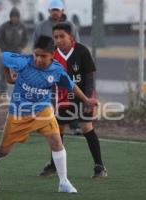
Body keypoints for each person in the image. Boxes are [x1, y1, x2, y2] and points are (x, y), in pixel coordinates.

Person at [0, 36, 99, 193]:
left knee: (56, 141)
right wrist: (8, 77)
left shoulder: (57, 70)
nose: (38, 59)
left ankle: (63, 182)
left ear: (52, 55)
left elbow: (71, 86)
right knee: (3, 150)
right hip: (19, 112)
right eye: (36, 54)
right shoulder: (24, 62)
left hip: (43, 110)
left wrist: (87, 100)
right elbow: (3, 56)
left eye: (43, 56)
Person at [39, 23, 107, 178]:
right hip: (62, 99)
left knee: (86, 127)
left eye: (62, 36)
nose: (58, 40)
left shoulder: (81, 51)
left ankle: (99, 166)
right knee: (57, 130)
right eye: (55, 37)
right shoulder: (53, 55)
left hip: (83, 96)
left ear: (71, 36)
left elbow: (90, 77)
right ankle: (54, 164)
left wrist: (88, 98)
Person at [33, 0, 82, 136]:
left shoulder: (70, 26)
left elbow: (76, 45)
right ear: (49, 11)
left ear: (62, 11)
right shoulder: (41, 26)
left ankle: (74, 125)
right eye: (53, 10)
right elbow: (35, 45)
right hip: (47, 65)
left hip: (66, 64)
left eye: (57, 10)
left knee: (70, 93)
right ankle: (46, 123)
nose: (55, 12)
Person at [0, 7, 28, 96]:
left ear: (18, 17)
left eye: (16, 17)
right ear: (10, 17)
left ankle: (19, 92)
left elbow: (25, 39)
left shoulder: (22, 27)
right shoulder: (4, 26)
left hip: (17, 54)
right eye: (12, 16)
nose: (14, 18)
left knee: (19, 73)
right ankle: (3, 92)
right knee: (4, 73)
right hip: (6, 53)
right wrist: (3, 48)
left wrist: (21, 47)